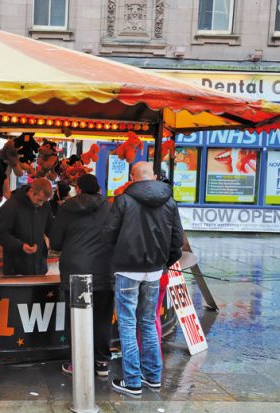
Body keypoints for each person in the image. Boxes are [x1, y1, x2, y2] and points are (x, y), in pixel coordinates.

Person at [103, 161, 183, 396]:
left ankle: (133, 382)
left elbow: (108, 233)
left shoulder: (123, 199)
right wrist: (163, 263)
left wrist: (117, 254)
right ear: (155, 176)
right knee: (148, 322)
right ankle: (153, 377)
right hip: (155, 270)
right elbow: (177, 240)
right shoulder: (169, 201)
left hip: (127, 269)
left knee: (127, 325)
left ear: (132, 176)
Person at [50, 174, 113, 377]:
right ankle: (102, 362)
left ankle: (76, 362)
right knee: (102, 317)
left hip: (75, 270)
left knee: (76, 317)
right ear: (99, 189)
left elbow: (56, 243)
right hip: (104, 270)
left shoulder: (66, 208)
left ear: (78, 189)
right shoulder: (110, 207)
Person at [0, 177, 53, 276]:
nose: (41, 204)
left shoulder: (45, 206)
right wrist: (20, 246)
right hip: (16, 269)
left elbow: (51, 229)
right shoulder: (11, 206)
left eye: (44, 201)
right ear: (31, 191)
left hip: (40, 267)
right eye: (39, 200)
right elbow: (1, 234)